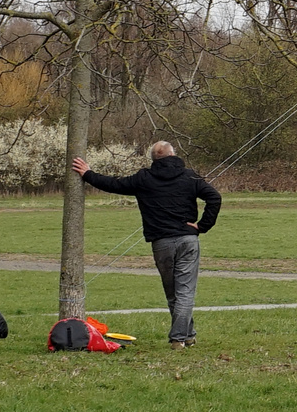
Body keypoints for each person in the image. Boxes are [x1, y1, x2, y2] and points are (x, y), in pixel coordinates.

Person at [71, 141, 221, 350]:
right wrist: (202, 226)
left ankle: (185, 336)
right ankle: (181, 337)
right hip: (187, 240)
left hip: (161, 243)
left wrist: (88, 173)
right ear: (173, 154)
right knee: (184, 291)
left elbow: (114, 184)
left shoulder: (144, 178)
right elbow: (214, 197)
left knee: (173, 292)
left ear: (154, 159)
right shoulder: (189, 175)